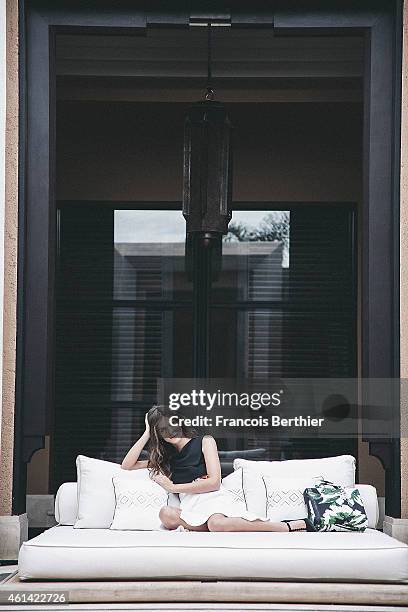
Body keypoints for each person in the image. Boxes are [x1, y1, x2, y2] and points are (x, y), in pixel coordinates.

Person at [121, 405, 315, 532]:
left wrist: (172, 487)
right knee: (165, 514)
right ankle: (206, 526)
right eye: (162, 431)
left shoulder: (205, 441)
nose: (170, 432)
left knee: (216, 523)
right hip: (190, 506)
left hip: (213, 500)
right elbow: (127, 465)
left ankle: (284, 527)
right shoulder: (167, 458)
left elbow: (213, 483)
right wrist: (147, 432)